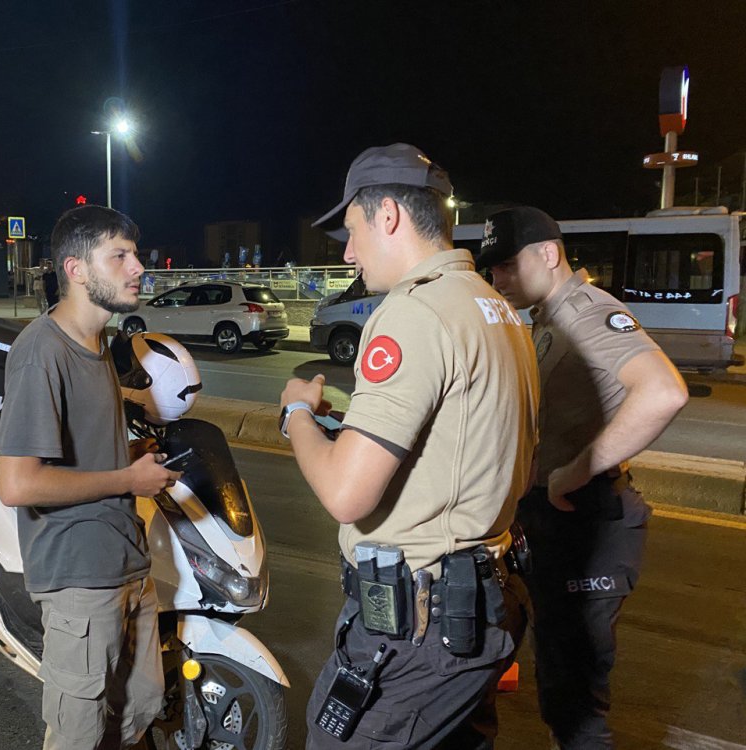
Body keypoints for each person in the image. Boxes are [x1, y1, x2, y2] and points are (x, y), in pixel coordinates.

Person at [282, 143, 540, 749]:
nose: (348, 253)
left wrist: (296, 410)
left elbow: (347, 494)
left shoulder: (415, 312)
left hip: (418, 630)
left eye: (351, 232)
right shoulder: (494, 308)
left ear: (389, 215)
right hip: (484, 605)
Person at [475, 206, 689, 749]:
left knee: (575, 707)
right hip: (553, 526)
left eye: (506, 266)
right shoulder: (548, 319)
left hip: (586, 524)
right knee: (553, 683)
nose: (497, 279)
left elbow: (664, 391)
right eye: (492, 269)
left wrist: (573, 471)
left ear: (549, 254)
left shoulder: (589, 314)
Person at [0, 204, 179, 750]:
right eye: (120, 255)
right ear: (76, 270)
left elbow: (89, 449)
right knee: (78, 733)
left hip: (127, 563)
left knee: (138, 708)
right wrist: (128, 479)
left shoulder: (97, 348)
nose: (138, 267)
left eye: (136, 254)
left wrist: (136, 454)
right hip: (79, 579)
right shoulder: (40, 352)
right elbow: (18, 484)